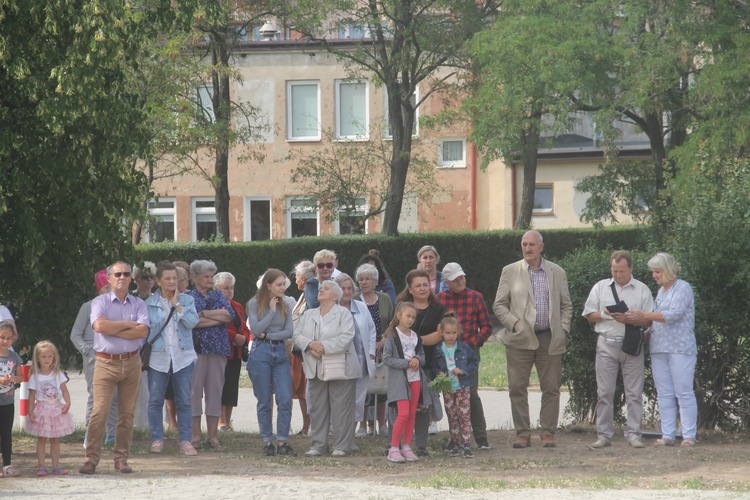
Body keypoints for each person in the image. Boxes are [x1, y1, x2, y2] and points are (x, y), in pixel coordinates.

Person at [493, 230, 572, 449]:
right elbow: (499, 305)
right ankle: (523, 433)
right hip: (520, 340)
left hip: (549, 337)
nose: (527, 248)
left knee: (551, 388)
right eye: (524, 244)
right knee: (517, 388)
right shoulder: (510, 271)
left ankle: (548, 433)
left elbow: (566, 305)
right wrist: (515, 324)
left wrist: (563, 328)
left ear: (541, 247)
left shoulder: (557, 272)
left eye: (532, 245)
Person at [80, 261, 149, 475]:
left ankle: (121, 459)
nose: (122, 277)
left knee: (126, 415)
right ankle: (91, 459)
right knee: (99, 412)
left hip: (131, 362)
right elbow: (99, 326)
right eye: (117, 274)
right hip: (105, 362)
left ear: (131, 278)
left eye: (126, 274)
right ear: (109, 278)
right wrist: (129, 325)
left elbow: (143, 332)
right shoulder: (99, 303)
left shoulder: (139, 304)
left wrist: (113, 328)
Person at [624, 252, 698, 447]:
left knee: (683, 390)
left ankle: (689, 434)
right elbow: (660, 318)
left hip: (680, 348)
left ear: (667, 271)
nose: (654, 276)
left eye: (657, 272)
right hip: (659, 347)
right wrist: (648, 330)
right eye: (653, 272)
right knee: (664, 392)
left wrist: (645, 314)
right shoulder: (662, 292)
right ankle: (668, 434)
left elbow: (673, 315)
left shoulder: (682, 288)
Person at [583, 250, 654, 449]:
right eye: (614, 270)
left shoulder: (642, 289)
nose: (618, 275)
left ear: (630, 268)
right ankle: (604, 435)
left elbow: (650, 319)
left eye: (622, 271)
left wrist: (632, 318)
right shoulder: (601, 287)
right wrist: (606, 315)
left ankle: (633, 434)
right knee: (604, 392)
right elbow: (588, 314)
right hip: (606, 342)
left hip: (631, 344)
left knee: (634, 393)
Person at [293, 280, 358, 457]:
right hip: (315, 367)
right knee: (317, 407)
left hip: (340, 367)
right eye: (320, 288)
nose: (321, 290)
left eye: (326, 289)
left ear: (336, 296)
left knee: (341, 407)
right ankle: (318, 445)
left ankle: (341, 445)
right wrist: (310, 345)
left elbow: (347, 337)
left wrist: (322, 347)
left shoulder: (343, 313)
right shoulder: (309, 314)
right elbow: (296, 335)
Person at [145, 261, 200, 456]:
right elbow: (148, 332)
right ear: (158, 281)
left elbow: (193, 322)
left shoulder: (186, 300)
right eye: (167, 278)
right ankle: (157, 439)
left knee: (184, 400)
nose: (171, 281)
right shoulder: (149, 304)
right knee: (155, 400)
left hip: (182, 357)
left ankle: (185, 441)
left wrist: (177, 305)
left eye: (174, 278)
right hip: (158, 358)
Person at [436, 262, 493, 451]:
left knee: (471, 393)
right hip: (447, 351)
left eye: (462, 277)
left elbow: (487, 325)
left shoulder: (476, 297)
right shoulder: (439, 300)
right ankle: (457, 438)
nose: (461, 281)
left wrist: (475, 343)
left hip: (467, 351)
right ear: (447, 282)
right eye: (455, 279)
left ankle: (481, 437)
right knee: (450, 395)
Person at [247, 269, 297, 457]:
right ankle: (267, 441)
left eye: (284, 284)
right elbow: (255, 329)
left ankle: (283, 441)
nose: (283, 287)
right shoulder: (254, 304)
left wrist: (268, 334)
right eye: (279, 284)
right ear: (268, 285)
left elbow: (289, 332)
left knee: (285, 398)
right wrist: (271, 312)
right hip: (261, 352)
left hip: (280, 352)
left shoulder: (287, 305)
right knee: (264, 399)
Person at [186, 260, 234, 450]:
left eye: (211, 276)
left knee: (215, 391)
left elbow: (228, 316)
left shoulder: (218, 294)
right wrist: (215, 318)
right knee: (194, 392)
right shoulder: (187, 297)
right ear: (194, 277)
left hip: (217, 349)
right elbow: (191, 322)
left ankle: (213, 437)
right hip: (195, 350)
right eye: (206, 276)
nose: (209, 280)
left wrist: (204, 313)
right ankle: (195, 435)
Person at [396, 269, 444, 456]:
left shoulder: (438, 309)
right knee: (400, 406)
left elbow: (439, 335)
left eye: (426, 284)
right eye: (418, 285)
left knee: (423, 405)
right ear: (410, 289)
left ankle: (421, 444)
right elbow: (395, 333)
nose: (423, 288)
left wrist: (412, 341)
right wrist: (417, 342)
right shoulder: (401, 308)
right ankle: (396, 443)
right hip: (402, 365)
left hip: (428, 363)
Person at [70, 269, 118, 446]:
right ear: (98, 289)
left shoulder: (119, 306)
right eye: (105, 288)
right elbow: (75, 334)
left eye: (110, 288)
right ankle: (90, 435)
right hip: (94, 359)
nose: (109, 291)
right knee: (96, 397)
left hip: (114, 357)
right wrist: (88, 350)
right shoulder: (88, 307)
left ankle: (112, 435)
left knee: (114, 397)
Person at [335, 273, 377, 446]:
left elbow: (371, 330)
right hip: (339, 364)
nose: (346, 291)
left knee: (358, 402)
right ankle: (340, 438)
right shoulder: (332, 308)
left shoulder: (361, 306)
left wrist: (371, 353)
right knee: (340, 402)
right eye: (343, 288)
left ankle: (349, 439)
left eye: (349, 288)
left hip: (361, 363)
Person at [354, 262, 394, 436]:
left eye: (367, 279)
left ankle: (382, 424)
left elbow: (393, 321)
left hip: (383, 347)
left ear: (375, 281)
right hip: (361, 348)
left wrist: (384, 339)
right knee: (364, 388)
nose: (364, 282)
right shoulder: (354, 299)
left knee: (382, 386)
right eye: (361, 279)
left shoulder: (384, 298)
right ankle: (362, 425)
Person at [432, 313, 479, 459]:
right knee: (452, 416)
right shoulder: (439, 349)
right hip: (448, 388)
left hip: (462, 387)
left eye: (454, 333)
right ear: (441, 333)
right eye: (447, 333)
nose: (451, 336)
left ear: (458, 332)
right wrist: (439, 373)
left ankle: (466, 444)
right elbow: (434, 366)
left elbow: (474, 363)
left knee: (464, 416)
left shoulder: (464, 348)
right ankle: (457, 444)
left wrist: (463, 371)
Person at [25, 340, 75, 476]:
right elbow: (32, 394)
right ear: (37, 358)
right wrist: (30, 411)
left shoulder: (57, 373)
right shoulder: (35, 377)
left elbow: (64, 390)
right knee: (41, 439)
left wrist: (68, 403)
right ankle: (41, 466)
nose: (47, 360)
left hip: (56, 410)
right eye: (43, 356)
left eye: (49, 356)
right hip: (41, 410)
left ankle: (56, 466)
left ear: (54, 357)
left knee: (55, 439)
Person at [382, 302, 424, 463]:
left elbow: (422, 356)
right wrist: (406, 363)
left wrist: (417, 360)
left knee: (412, 414)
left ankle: (406, 446)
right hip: (400, 381)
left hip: (415, 380)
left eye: (413, 317)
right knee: (403, 414)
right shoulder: (392, 336)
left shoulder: (415, 337)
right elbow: (386, 359)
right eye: (408, 316)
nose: (411, 320)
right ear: (399, 315)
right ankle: (393, 448)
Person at [214, 272, 250, 433]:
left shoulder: (237, 306)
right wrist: (234, 336)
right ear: (216, 289)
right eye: (225, 288)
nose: (229, 291)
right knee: (220, 386)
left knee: (231, 387)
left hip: (236, 353)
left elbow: (244, 326)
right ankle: (220, 421)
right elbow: (218, 327)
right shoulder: (214, 305)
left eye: (231, 288)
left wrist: (244, 337)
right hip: (222, 352)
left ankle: (227, 421)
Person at [289, 260, 316, 435]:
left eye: (297, 276)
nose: (296, 279)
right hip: (297, 350)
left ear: (304, 278)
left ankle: (312, 426)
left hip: (306, 349)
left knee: (308, 389)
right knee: (301, 390)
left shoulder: (311, 295)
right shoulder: (303, 295)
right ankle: (306, 426)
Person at [0, 320, 23, 477]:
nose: (5, 341)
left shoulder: (15, 357)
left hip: (8, 402)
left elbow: (21, 377)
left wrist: (13, 378)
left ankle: (7, 464)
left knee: (6, 433)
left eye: (8, 338)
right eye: (1, 337)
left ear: (13, 339)